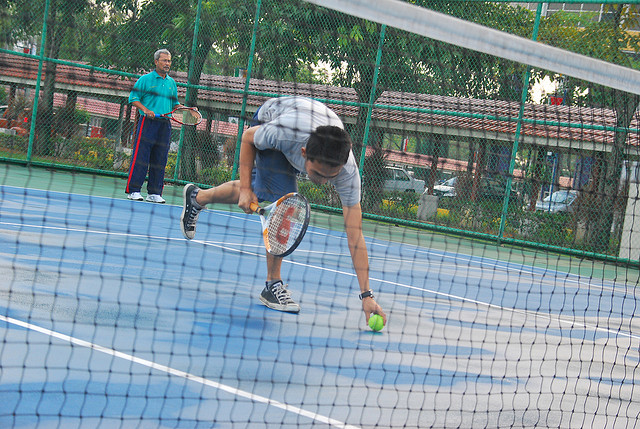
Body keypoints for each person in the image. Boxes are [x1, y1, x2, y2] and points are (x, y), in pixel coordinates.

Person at [180, 96, 387, 326]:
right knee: (285, 200)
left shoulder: (348, 173)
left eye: (331, 176)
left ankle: (197, 197)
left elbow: (355, 235)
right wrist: (245, 189)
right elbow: (248, 138)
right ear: (304, 153)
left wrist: (367, 295)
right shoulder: (283, 134)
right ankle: (272, 285)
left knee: (261, 191)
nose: (323, 181)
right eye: (318, 174)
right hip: (271, 117)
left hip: (307, 118)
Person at [125, 48, 180, 204]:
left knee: (160, 159)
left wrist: (188, 110)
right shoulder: (145, 79)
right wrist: (145, 110)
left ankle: (154, 193)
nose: (167, 63)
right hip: (147, 123)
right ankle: (134, 190)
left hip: (165, 125)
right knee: (141, 156)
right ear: (156, 62)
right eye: (164, 60)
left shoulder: (171, 83)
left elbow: (175, 104)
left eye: (169, 61)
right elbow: (133, 98)